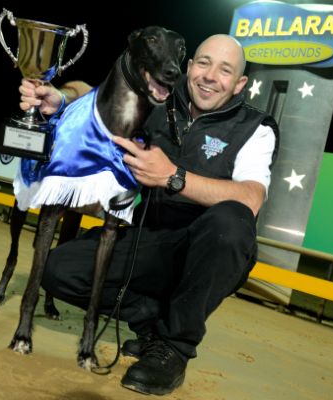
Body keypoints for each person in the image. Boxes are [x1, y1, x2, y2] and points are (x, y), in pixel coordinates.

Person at [18, 34, 278, 395]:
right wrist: (61, 98)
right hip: (149, 239)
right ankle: (151, 323)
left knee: (231, 222)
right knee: (58, 269)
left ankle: (173, 350)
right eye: (203, 63)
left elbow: (251, 197)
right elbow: (102, 94)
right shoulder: (157, 99)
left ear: (239, 84)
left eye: (224, 70)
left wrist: (173, 177)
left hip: (204, 250)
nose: (209, 76)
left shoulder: (255, 128)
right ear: (188, 67)